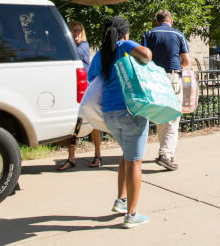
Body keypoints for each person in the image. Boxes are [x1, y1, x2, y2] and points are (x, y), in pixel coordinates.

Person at [88, 16, 153, 229]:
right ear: (125, 33)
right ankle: (131, 215)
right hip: (131, 110)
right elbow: (147, 55)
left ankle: (121, 200)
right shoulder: (124, 45)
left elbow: (92, 81)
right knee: (135, 161)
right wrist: (127, 45)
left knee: (126, 155)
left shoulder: (100, 54)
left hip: (109, 114)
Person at [142, 10, 190, 172]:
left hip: (155, 78)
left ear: (157, 21)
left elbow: (143, 58)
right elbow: (186, 61)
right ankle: (166, 154)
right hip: (172, 76)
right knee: (173, 116)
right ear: (171, 21)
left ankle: (165, 151)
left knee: (161, 114)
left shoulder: (148, 34)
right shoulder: (178, 35)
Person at [57, 21, 103, 171]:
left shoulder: (82, 46)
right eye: (73, 31)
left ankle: (98, 155)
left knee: (94, 123)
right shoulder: (70, 46)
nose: (76, 34)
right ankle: (71, 157)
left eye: (78, 31)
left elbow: (72, 55)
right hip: (74, 91)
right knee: (74, 126)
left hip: (87, 91)